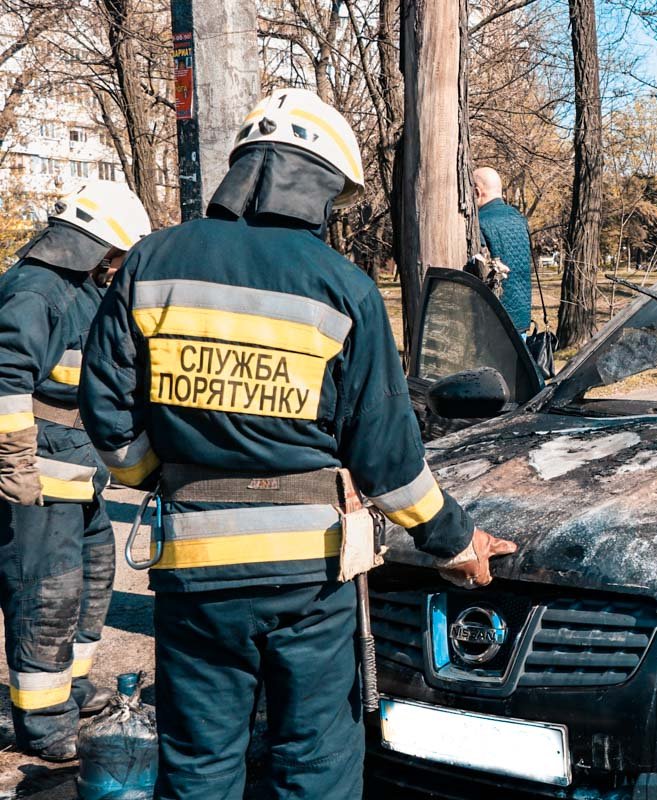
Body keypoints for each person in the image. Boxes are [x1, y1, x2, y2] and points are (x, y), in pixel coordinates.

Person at [79, 88, 517, 799]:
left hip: (194, 574)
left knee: (197, 766)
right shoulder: (342, 287)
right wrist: (457, 541)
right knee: (313, 764)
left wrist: (165, 478)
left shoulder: (152, 264)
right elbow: (388, 461)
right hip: (306, 582)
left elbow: (105, 412)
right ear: (316, 185)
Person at [0, 181, 150, 761]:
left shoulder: (79, 290)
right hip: (37, 484)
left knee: (91, 583)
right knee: (47, 598)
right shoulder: (35, 292)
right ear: (96, 244)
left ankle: (73, 691)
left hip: (77, 477)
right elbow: (5, 379)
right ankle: (42, 724)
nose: (118, 264)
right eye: (116, 252)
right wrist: (14, 467)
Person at [473, 167, 532, 333]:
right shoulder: (519, 219)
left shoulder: (479, 223)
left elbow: (480, 271)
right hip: (522, 316)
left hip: (493, 319)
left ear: (477, 192)